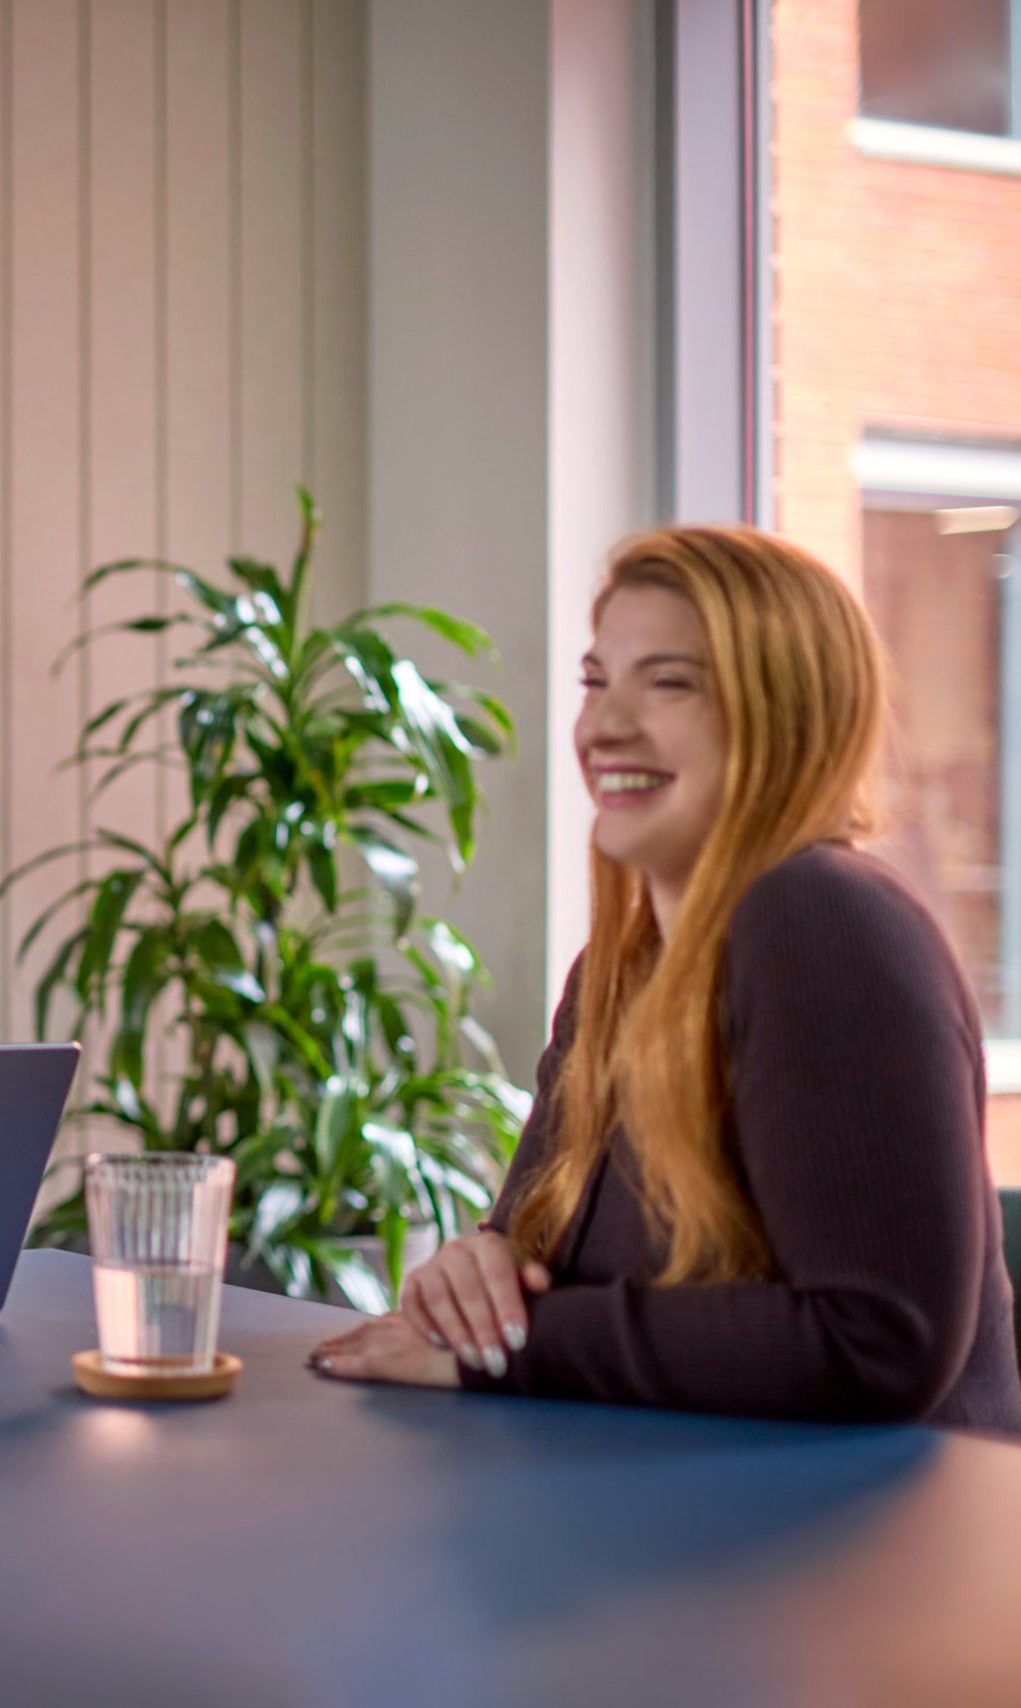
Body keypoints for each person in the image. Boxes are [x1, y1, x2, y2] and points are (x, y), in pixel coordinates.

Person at [312, 526, 1021, 1432]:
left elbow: (875, 1340)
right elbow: (531, 1259)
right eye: (596, 681)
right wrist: (476, 1281)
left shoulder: (818, 917)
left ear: (784, 710)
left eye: (670, 682)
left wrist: (517, 1347)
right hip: (699, 1520)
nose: (603, 726)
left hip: (877, 1551)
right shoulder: (620, 967)